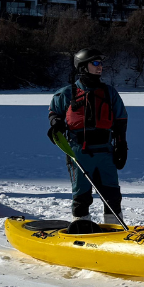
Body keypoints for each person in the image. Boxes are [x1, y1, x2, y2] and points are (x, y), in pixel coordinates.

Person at [48, 48, 128, 222]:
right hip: (78, 152)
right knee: (81, 195)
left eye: (101, 63)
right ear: (83, 66)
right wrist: (56, 124)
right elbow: (54, 113)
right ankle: (82, 227)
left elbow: (121, 120)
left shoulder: (110, 93)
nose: (100, 67)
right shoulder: (66, 93)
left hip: (105, 151)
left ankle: (113, 227)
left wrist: (121, 145)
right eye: (96, 63)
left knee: (112, 194)